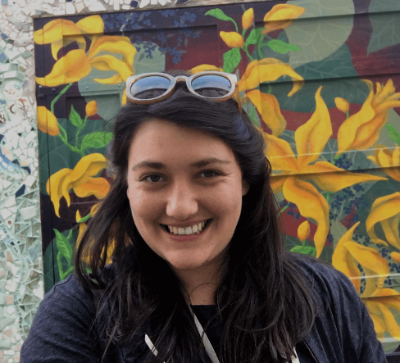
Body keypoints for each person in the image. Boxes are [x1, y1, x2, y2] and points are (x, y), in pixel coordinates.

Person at [21, 71, 387, 363]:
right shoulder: (77, 317)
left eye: (208, 173)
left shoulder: (325, 295)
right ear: (127, 187)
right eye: (153, 178)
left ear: (245, 179)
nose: (181, 207)